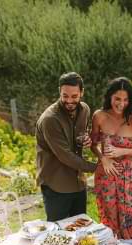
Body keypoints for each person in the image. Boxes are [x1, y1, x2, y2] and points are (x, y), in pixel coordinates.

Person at [91, 77, 132, 239]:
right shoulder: (99, 116)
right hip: (105, 176)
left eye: (126, 100)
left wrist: (120, 151)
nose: (121, 103)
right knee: (109, 220)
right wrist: (103, 158)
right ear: (110, 96)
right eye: (117, 99)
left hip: (128, 178)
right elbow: (93, 144)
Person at [36, 72, 97, 222]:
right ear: (59, 92)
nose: (69, 101)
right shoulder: (50, 120)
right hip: (56, 185)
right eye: (65, 96)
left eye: (74, 96)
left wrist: (85, 140)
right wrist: (97, 167)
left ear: (82, 92)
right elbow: (65, 155)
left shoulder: (85, 111)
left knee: (80, 229)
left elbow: (78, 137)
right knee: (58, 233)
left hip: (78, 183)